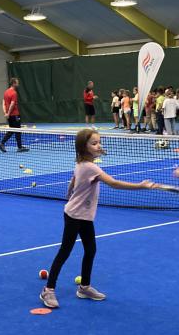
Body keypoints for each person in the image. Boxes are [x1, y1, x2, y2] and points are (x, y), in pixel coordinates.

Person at [40, 129, 159, 308]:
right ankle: (48, 289)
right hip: (74, 215)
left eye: (99, 142)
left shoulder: (82, 162)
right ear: (84, 147)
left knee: (90, 250)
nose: (99, 146)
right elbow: (113, 183)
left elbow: (75, 176)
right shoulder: (91, 167)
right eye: (94, 143)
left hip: (85, 215)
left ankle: (84, 287)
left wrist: (70, 188)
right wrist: (140, 186)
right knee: (65, 251)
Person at [0, 77, 29, 153]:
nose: (18, 84)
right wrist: (8, 113)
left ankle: (3, 143)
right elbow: (12, 104)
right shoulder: (14, 93)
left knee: (12, 130)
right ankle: (19, 147)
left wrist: (5, 113)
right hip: (15, 115)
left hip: (9, 116)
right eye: (17, 83)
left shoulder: (6, 92)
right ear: (14, 83)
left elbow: (3, 103)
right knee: (17, 130)